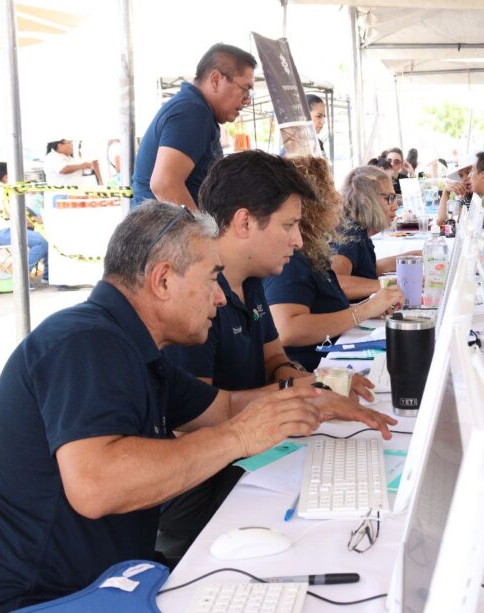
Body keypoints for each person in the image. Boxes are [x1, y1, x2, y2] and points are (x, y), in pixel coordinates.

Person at [0, 202, 336, 609]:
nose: (220, 300)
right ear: (164, 280)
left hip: (110, 578)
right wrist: (239, 437)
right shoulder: (84, 342)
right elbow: (96, 486)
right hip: (44, 599)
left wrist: (315, 398)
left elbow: (223, 409)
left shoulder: (130, 345)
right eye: (212, 279)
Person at [159, 151, 396, 558]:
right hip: (206, 502)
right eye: (289, 225)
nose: (299, 240)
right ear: (245, 221)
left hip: (253, 462)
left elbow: (274, 361)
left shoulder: (249, 280)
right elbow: (195, 421)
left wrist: (312, 385)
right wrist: (308, 395)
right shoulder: (194, 296)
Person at [264, 155, 404, 372]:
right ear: (311, 204)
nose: (339, 199)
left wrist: (366, 308)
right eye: (330, 191)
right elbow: (287, 329)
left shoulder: (311, 249)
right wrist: (364, 310)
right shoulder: (292, 256)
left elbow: (322, 307)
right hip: (318, 371)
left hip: (333, 362)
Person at [132, 43, 257, 209]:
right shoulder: (193, 112)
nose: (247, 100)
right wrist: (202, 232)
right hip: (159, 232)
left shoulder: (195, 109)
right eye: (245, 90)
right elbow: (164, 184)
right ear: (216, 80)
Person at [331, 166, 410, 300]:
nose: (395, 206)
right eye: (389, 198)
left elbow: (366, 270)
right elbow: (335, 283)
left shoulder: (358, 230)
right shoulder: (351, 236)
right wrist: (390, 285)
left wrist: (409, 258)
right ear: (366, 200)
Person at [0, 162, 49, 284]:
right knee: (42, 242)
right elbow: (12, 213)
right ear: (6, 177)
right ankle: (21, 279)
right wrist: (32, 221)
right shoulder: (2, 189)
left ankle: (46, 276)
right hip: (2, 232)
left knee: (43, 240)